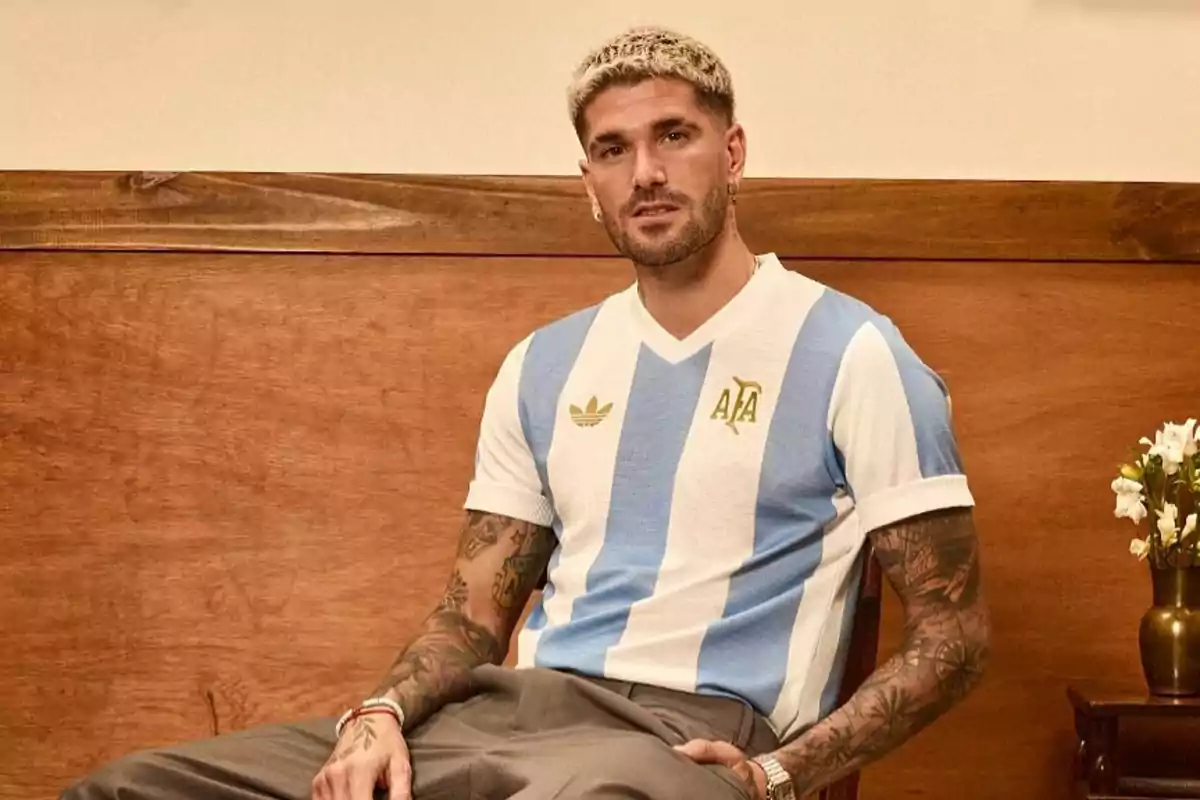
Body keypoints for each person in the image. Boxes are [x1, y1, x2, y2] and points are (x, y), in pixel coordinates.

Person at [62, 25, 991, 800]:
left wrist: (778, 775)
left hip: (686, 743)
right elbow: (471, 619)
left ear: (733, 152)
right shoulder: (543, 365)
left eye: (675, 136)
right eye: (613, 149)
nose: (646, 174)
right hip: (506, 714)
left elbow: (954, 638)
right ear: (587, 179)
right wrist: (379, 717)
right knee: (129, 787)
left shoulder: (854, 353)